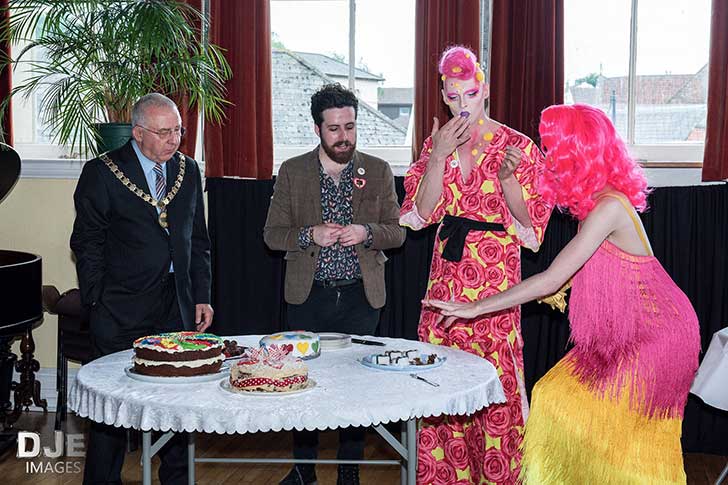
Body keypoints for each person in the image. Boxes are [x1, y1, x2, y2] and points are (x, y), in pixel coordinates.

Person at [426, 104, 700, 484]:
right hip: (627, 333)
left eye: (554, 148)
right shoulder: (596, 204)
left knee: (624, 436)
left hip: (657, 334)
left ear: (577, 153)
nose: (548, 155)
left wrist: (475, 308)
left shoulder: (609, 207)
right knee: (554, 397)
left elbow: (552, 278)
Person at [399, 46, 551, 484]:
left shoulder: (517, 145)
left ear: (484, 89)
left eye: (469, 93)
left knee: (498, 390)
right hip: (444, 282)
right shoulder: (436, 143)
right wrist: (438, 157)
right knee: (439, 386)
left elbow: (530, 228)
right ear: (443, 96)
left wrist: (507, 182)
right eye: (452, 96)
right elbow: (421, 215)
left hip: (496, 280)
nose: (461, 104)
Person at [264, 83, 406, 485]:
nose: (344, 136)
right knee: (303, 384)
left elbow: (397, 233)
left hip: (363, 297)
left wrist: (367, 231)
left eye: (350, 126)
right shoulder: (293, 171)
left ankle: (349, 474)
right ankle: (304, 472)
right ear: (317, 129)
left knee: (355, 388)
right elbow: (272, 235)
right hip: (309, 297)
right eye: (334, 129)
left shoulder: (377, 170)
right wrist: (310, 234)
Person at [70, 93, 213, 485]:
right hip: (119, 308)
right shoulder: (102, 172)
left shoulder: (189, 170)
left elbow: (197, 240)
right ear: (137, 133)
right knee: (111, 415)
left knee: (177, 406)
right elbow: (86, 242)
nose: (174, 140)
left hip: (176, 306)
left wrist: (201, 295)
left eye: (178, 131)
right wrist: (97, 299)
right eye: (164, 132)